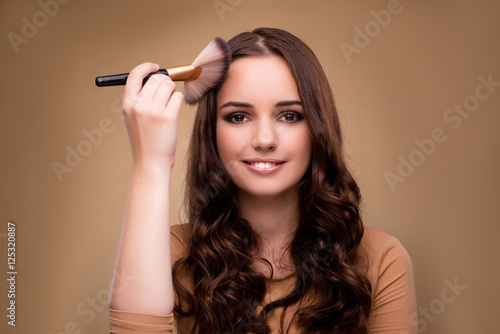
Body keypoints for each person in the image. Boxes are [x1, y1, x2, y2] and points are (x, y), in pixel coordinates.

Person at [108, 27, 417, 334]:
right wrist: (151, 163)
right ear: (211, 133)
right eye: (239, 117)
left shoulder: (380, 260)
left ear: (317, 130)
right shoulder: (171, 256)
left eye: (290, 116)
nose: (265, 139)